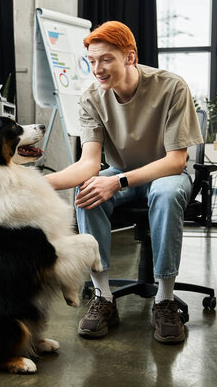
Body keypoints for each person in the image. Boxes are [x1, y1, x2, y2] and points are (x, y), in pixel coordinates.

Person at [45, 21, 203, 344]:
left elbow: (176, 161)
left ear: (130, 57)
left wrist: (117, 182)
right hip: (123, 175)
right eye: (91, 61)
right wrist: (42, 184)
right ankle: (103, 296)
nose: (97, 69)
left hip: (166, 175)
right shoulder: (91, 98)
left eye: (105, 59)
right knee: (87, 189)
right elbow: (89, 164)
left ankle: (165, 300)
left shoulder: (172, 88)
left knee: (166, 191)